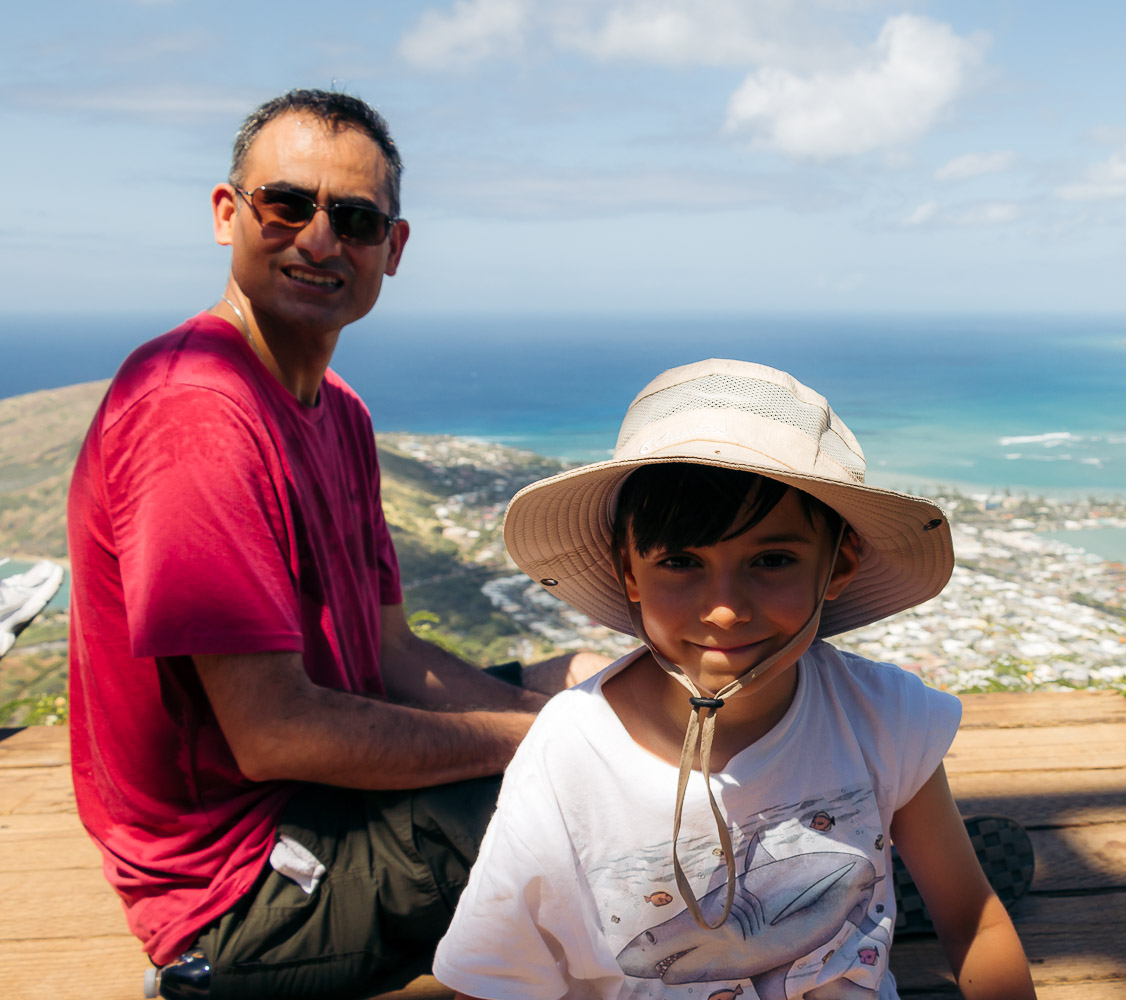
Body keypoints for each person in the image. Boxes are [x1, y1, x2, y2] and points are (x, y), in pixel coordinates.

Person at [66, 88, 606, 999]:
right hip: (251, 888)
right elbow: (276, 734)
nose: (319, 241)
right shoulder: (194, 413)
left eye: (354, 219)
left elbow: (391, 654)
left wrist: (565, 719)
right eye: (286, 206)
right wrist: (549, 748)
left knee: (600, 676)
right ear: (227, 213)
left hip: (336, 800)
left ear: (391, 251)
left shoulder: (338, 413)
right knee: (605, 802)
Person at [433, 359, 1037, 1000]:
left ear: (839, 565)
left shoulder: (884, 717)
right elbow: (491, 977)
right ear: (629, 572)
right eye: (680, 561)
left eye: (771, 559)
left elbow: (971, 918)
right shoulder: (570, 750)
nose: (725, 608)